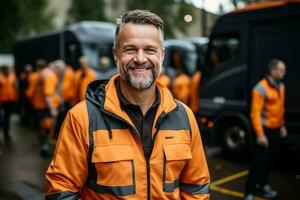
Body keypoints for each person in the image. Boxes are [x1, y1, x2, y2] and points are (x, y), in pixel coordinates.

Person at [45, 10, 210, 199]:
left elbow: (196, 187)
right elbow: (61, 191)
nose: (140, 59)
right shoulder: (82, 118)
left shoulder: (184, 117)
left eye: (150, 50)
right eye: (130, 49)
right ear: (116, 54)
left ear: (162, 56)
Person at [244, 59, 287, 200]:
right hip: (264, 131)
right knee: (258, 163)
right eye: (281, 70)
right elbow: (255, 114)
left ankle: (262, 187)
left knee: (270, 162)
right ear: (273, 71)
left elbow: (280, 109)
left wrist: (282, 125)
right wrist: (260, 135)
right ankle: (249, 192)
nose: (284, 73)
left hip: (275, 130)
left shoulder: (281, 86)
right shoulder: (260, 89)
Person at [0, 65, 17, 142]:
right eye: (6, 69)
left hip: (10, 100)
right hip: (1, 101)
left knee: (7, 117)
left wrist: (16, 98)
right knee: (2, 118)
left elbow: (16, 87)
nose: (8, 70)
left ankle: (6, 133)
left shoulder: (12, 76)